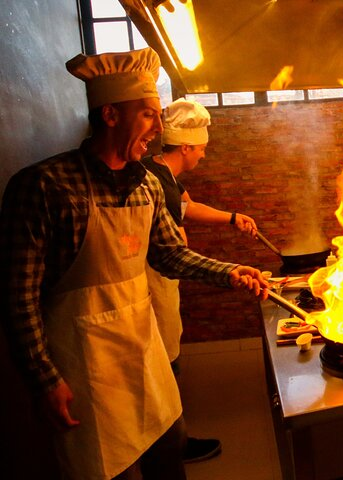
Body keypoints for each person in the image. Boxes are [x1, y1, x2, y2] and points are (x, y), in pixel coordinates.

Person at [0, 47, 268, 479]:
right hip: (85, 369)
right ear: (109, 115)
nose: (159, 129)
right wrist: (43, 378)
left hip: (144, 353)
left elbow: (169, 254)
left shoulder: (147, 186)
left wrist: (231, 272)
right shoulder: (43, 186)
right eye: (148, 115)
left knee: (169, 459)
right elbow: (18, 298)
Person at [141, 98, 257, 463]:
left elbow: (187, 209)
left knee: (169, 355)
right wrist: (227, 270)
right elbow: (167, 244)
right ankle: (171, 446)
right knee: (164, 361)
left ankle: (171, 439)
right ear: (186, 147)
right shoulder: (152, 179)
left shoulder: (167, 175)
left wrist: (232, 217)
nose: (203, 156)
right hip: (153, 278)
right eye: (202, 149)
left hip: (166, 277)